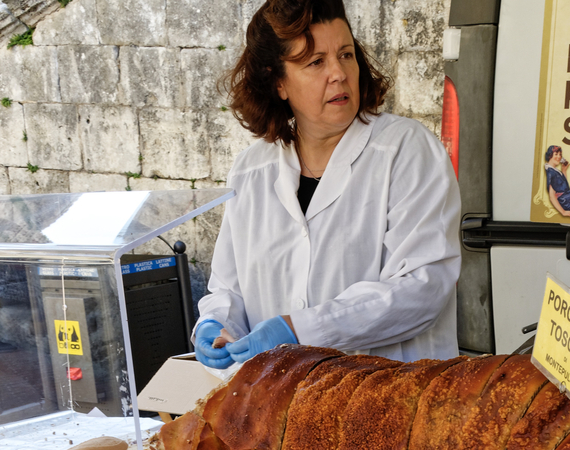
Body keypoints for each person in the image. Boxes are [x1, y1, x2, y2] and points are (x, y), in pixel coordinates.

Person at [194, 0, 460, 370]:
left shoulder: (405, 149)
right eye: (316, 62)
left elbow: (422, 286)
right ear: (279, 83)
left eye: (346, 55)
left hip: (388, 397)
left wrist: (301, 330)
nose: (338, 73)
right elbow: (228, 288)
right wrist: (216, 324)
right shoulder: (251, 169)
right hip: (281, 403)